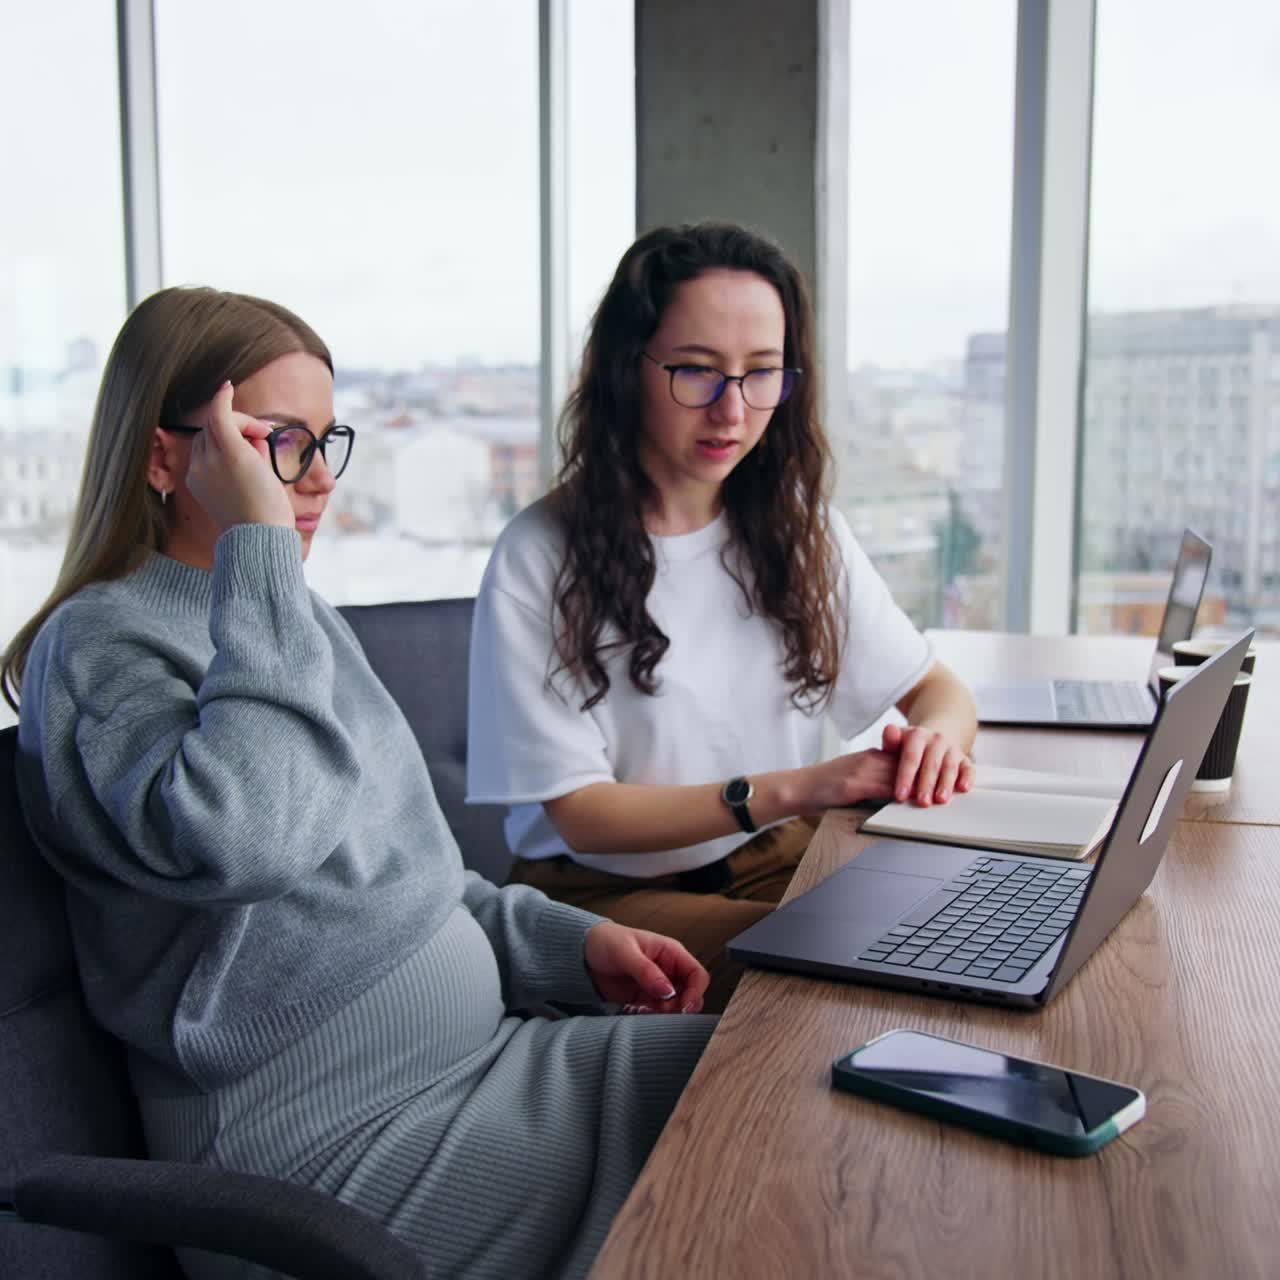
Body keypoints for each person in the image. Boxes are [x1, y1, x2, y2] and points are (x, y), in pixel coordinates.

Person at [2, 287, 715, 1280]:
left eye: (324, 442)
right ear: (166, 455)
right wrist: (259, 554)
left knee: (781, 1083)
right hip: (324, 1154)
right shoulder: (99, 646)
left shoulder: (293, 622)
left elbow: (411, 872)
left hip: (490, 1069)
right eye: (274, 442)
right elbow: (249, 839)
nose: (313, 480)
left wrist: (563, 942)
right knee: (745, 1189)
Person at [467, 222, 978, 1013]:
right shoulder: (539, 554)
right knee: (832, 983)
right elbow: (584, 816)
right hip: (606, 898)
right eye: (696, 373)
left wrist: (935, 749)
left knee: (972, 928)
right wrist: (802, 787)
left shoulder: (795, 525)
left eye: (762, 374)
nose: (732, 411)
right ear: (625, 373)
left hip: (777, 858)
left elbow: (936, 690)